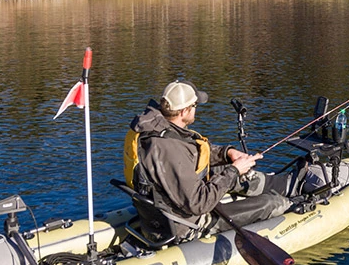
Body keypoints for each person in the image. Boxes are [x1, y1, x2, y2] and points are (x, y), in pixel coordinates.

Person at [123, 80, 294, 242]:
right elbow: (199, 204)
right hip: (185, 224)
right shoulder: (169, 149)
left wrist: (228, 153)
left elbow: (195, 152)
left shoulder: (155, 128)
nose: (196, 109)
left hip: (166, 207)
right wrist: (234, 171)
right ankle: (288, 203)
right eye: (194, 106)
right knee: (270, 203)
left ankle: (286, 185)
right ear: (183, 112)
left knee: (221, 169)